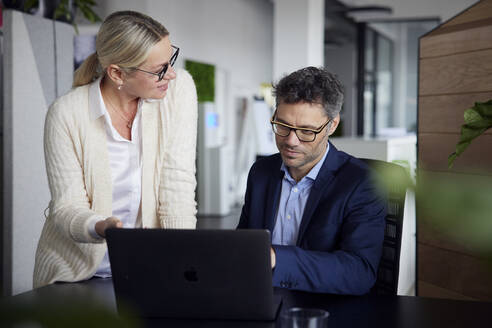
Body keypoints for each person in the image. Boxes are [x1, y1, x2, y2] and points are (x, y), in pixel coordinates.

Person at [34, 11, 198, 288]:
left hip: (150, 270)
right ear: (117, 73)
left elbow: (177, 183)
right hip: (76, 274)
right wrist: (101, 227)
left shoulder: (178, 90)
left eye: (171, 59)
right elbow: (66, 207)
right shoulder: (66, 113)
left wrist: (181, 262)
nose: (170, 74)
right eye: (159, 69)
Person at [237, 66, 386, 295]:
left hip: (324, 308)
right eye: (283, 126)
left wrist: (278, 259)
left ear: (332, 125)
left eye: (307, 131)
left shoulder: (362, 183)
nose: (291, 141)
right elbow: (243, 242)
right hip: (259, 299)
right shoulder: (261, 172)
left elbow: (359, 271)